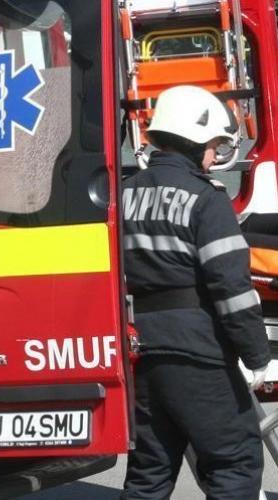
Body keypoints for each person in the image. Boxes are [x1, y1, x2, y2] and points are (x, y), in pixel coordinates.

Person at [120, 85, 271, 500]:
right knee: (234, 463)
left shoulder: (123, 195)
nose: (213, 156)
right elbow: (232, 288)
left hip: (139, 349)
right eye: (212, 146)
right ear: (194, 141)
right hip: (198, 349)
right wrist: (256, 354)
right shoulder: (207, 199)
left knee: (149, 471)